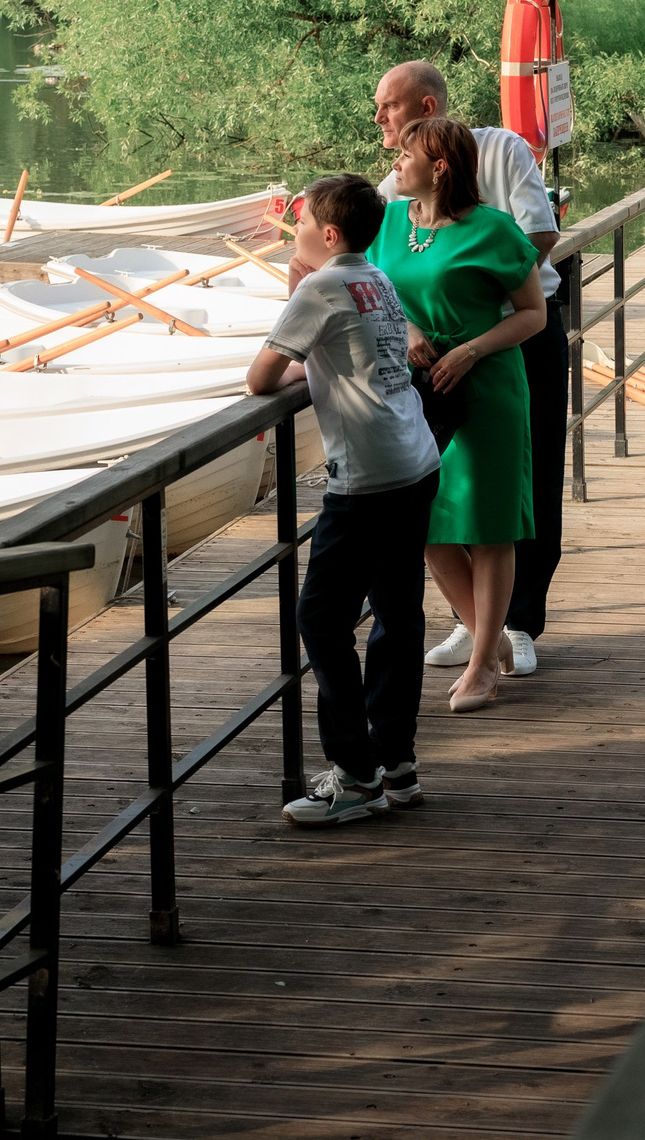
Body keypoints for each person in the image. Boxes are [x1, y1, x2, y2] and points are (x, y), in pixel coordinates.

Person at [247, 174, 443, 826]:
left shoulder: (321, 284)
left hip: (366, 477)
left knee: (321, 620)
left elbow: (259, 379)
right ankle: (398, 764)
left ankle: (356, 776)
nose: (291, 231)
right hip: (415, 457)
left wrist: (298, 291)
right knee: (397, 614)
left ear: (327, 235)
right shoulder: (375, 277)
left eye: (298, 222)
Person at [370, 60, 568, 678]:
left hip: (514, 337)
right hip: (428, 359)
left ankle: (519, 623)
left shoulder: (503, 150)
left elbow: (538, 235)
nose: (380, 120)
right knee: (440, 496)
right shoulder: (395, 190)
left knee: (521, 482)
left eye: (390, 107)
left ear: (427, 109)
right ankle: (476, 626)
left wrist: (478, 285)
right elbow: (371, 269)